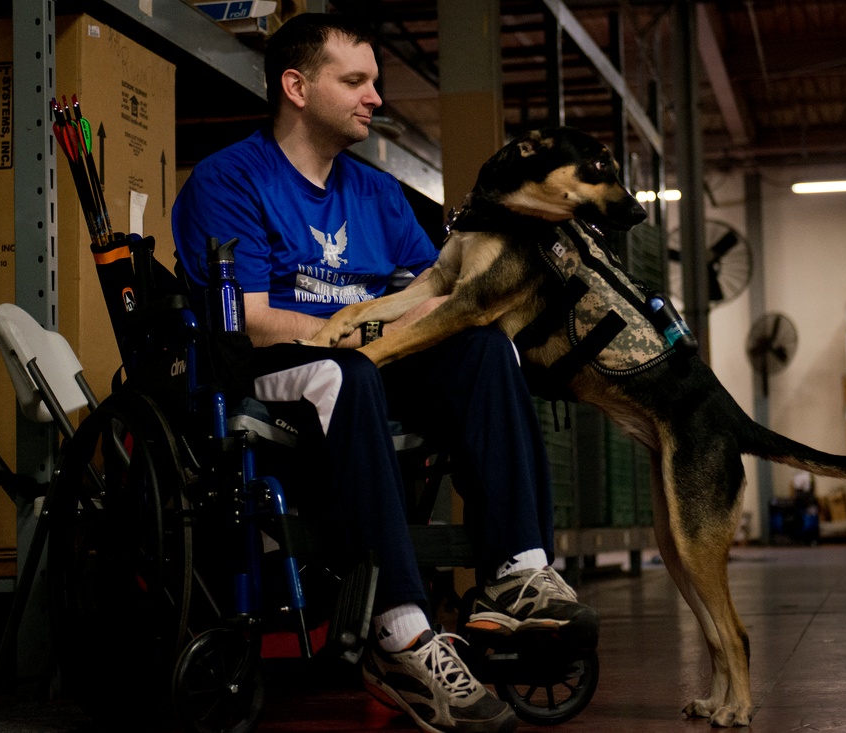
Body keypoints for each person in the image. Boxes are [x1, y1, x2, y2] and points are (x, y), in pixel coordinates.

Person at [172, 13, 597, 733]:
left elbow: (433, 293)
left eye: (375, 81)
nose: (375, 97)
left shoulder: (376, 193)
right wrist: (367, 332)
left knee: (485, 348)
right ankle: (399, 632)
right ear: (297, 86)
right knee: (347, 375)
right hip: (279, 372)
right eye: (357, 80)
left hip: (370, 360)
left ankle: (518, 572)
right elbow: (249, 316)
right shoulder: (229, 178)